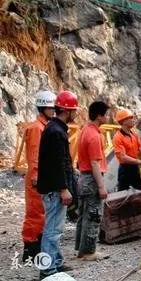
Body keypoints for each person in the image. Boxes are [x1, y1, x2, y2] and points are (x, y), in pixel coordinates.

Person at [37, 90, 79, 279]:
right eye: (74, 110)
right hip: (55, 189)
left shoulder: (54, 128)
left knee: (55, 228)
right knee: (52, 230)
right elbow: (57, 164)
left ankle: (56, 262)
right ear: (67, 110)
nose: (76, 113)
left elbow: (60, 161)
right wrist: (64, 189)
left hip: (53, 187)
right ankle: (47, 269)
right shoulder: (56, 131)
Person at [22, 90, 56, 262]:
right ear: (43, 108)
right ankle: (31, 248)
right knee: (35, 213)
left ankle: (36, 246)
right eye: (51, 108)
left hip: (41, 176)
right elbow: (35, 155)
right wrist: (36, 176)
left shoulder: (43, 127)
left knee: (41, 212)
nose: (54, 111)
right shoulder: (37, 129)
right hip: (36, 177)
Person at [75, 101, 110, 261]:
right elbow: (95, 163)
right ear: (99, 116)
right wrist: (101, 186)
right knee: (94, 215)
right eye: (107, 114)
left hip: (83, 178)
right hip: (91, 179)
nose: (109, 117)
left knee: (83, 215)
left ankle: (80, 249)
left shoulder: (84, 131)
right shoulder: (94, 136)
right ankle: (89, 251)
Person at [112, 109, 141, 191]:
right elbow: (123, 157)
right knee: (122, 195)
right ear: (123, 121)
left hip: (134, 168)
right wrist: (140, 162)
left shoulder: (134, 134)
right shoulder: (118, 137)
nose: (133, 120)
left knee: (138, 192)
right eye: (130, 118)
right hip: (125, 170)